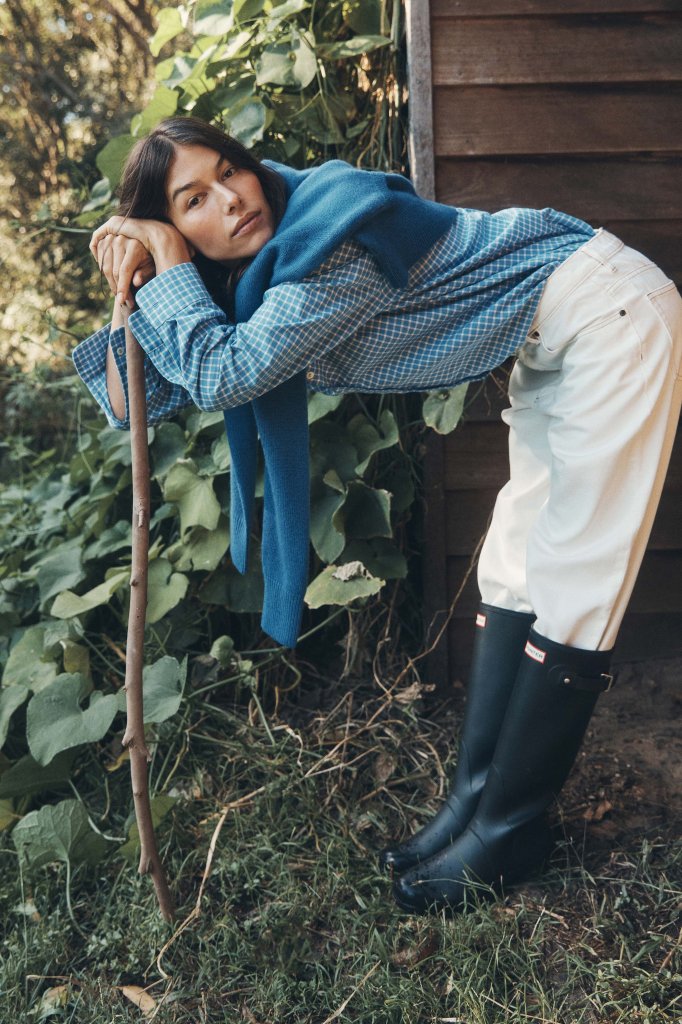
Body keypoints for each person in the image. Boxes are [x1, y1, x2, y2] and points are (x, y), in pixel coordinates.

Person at [72, 116, 682, 916]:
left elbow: (226, 373)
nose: (231, 198)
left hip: (610, 314)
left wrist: (171, 253)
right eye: (193, 200)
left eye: (229, 171)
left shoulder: (333, 235)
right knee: (512, 563)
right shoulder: (257, 272)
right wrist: (140, 276)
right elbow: (136, 397)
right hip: (552, 335)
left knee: (579, 572)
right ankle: (473, 805)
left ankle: (509, 828)